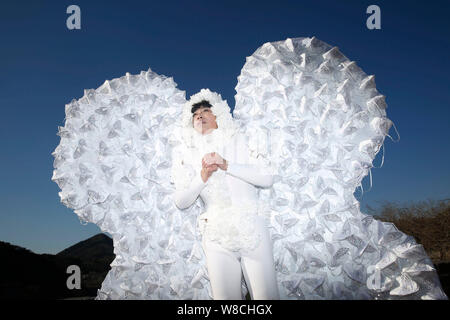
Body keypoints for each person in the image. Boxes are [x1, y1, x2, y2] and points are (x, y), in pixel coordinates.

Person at [173, 98, 280, 300]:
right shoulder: (186, 155)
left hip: (252, 228)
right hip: (215, 235)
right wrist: (202, 176)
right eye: (195, 114)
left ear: (218, 115)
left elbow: (267, 178)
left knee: (266, 298)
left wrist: (226, 164)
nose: (199, 115)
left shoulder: (241, 139)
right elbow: (181, 201)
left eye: (205, 110)